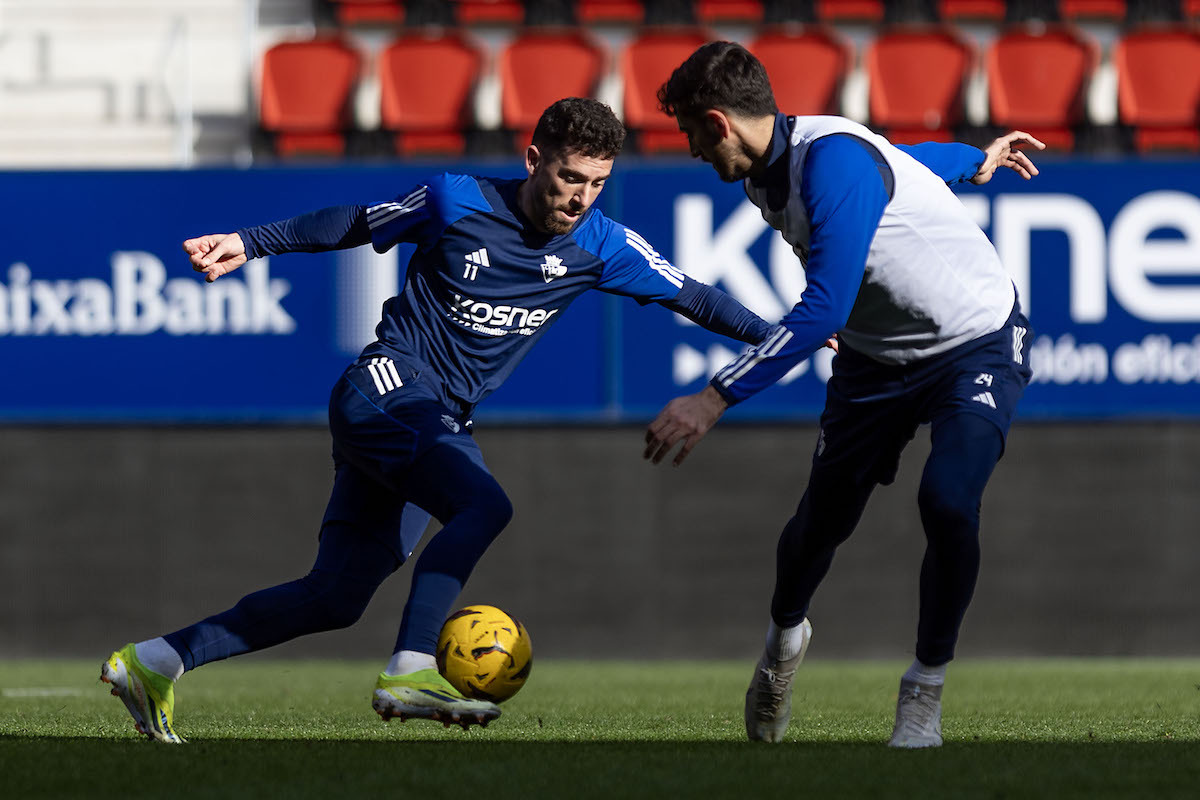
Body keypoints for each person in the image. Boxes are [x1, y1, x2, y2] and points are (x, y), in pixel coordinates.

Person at [100, 97, 772, 743]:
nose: (581, 197)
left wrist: (785, 336)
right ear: (535, 158)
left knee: (334, 597)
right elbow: (355, 222)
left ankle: (153, 663)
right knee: (483, 504)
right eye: (570, 176)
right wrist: (251, 243)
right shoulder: (458, 198)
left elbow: (696, 297)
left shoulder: (602, 245)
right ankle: (412, 669)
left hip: (434, 418)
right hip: (385, 388)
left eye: (597, 182)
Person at [643, 42, 1044, 749]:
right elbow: (910, 164)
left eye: (688, 133)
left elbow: (824, 309)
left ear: (717, 122)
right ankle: (780, 649)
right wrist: (973, 161)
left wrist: (714, 397)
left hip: (975, 341)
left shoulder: (830, 163)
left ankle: (924, 690)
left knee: (948, 499)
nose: (692, 151)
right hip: (875, 362)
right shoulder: (772, 172)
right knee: (818, 527)